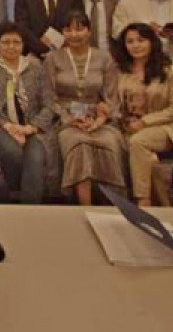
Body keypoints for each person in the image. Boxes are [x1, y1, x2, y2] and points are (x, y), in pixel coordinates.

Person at [44, 12, 124, 205]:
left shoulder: (104, 58)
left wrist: (100, 120)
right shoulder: (53, 58)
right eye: (68, 30)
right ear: (63, 32)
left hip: (99, 118)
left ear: (89, 31)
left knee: (110, 143)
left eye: (79, 29)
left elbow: (112, 97)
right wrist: (69, 119)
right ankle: (84, 206)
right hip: (64, 119)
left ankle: (113, 205)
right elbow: (48, 97)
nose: (74, 34)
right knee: (79, 143)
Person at [111, 23, 173, 207]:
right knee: (144, 157)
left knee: (138, 142)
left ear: (152, 42)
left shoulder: (170, 71)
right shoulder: (120, 71)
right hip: (128, 126)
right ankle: (161, 204)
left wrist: (145, 122)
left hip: (164, 127)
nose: (135, 45)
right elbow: (114, 103)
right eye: (130, 41)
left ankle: (142, 200)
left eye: (141, 40)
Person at [0, 22, 57, 204]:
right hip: (1, 126)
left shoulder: (36, 67)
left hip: (34, 128)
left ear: (23, 45)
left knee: (35, 159)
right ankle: (17, 193)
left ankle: (29, 207)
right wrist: (9, 126)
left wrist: (31, 128)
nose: (11, 47)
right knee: (12, 152)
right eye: (5, 42)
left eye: (16, 42)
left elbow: (49, 103)